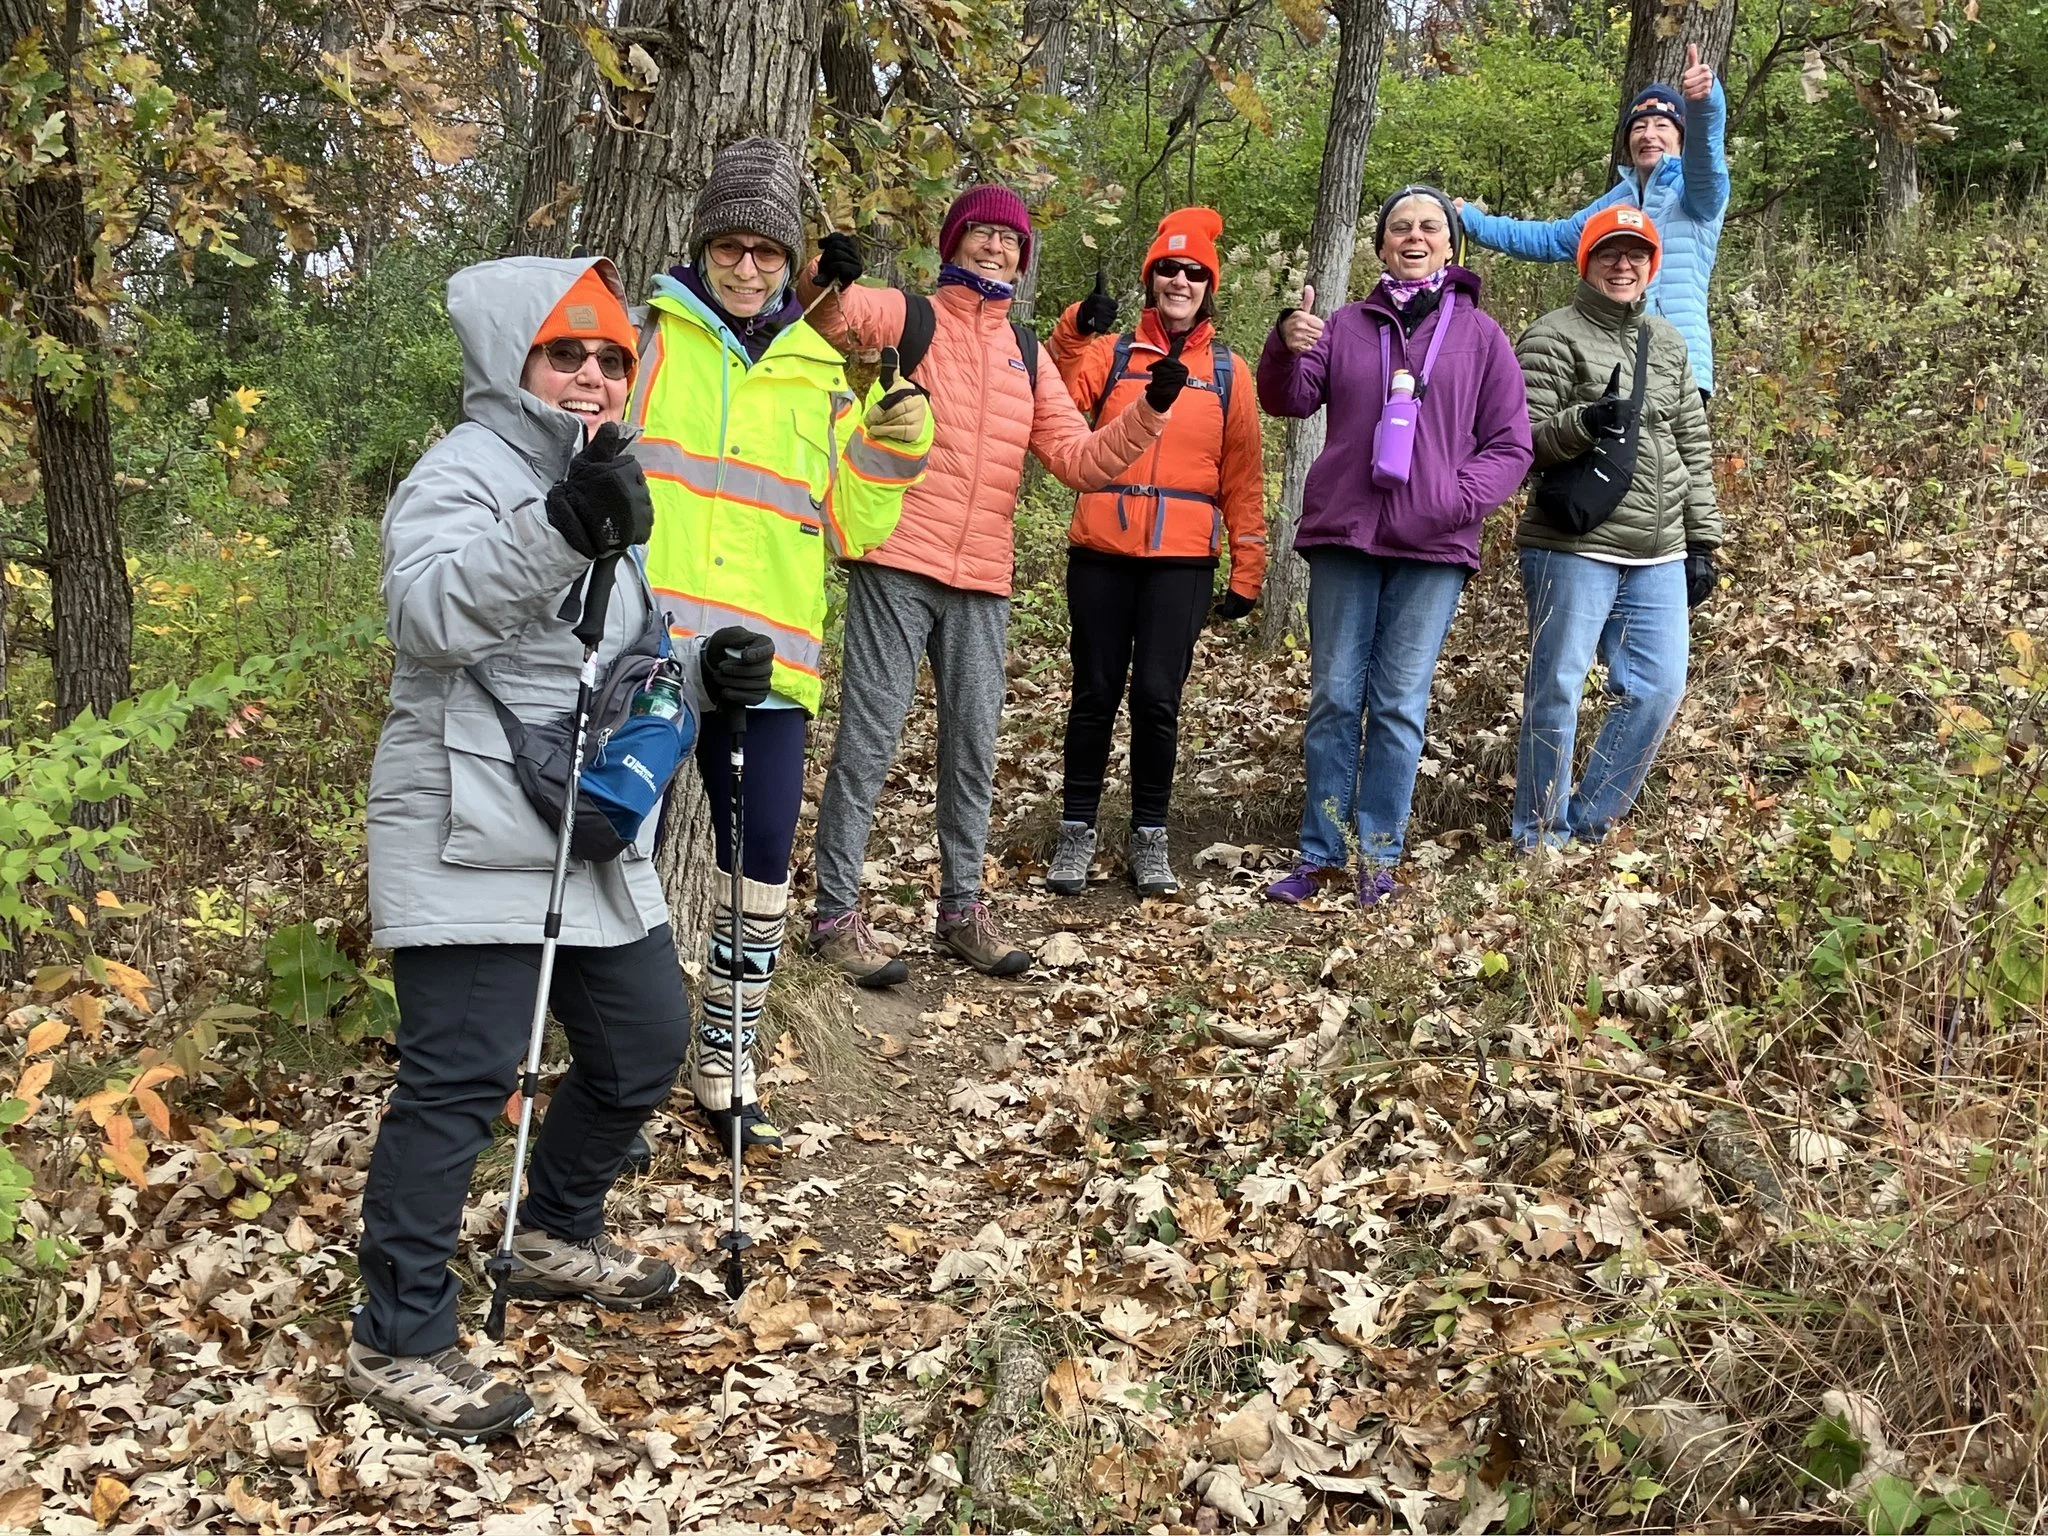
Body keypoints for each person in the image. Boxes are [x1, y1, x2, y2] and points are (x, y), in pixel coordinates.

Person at [350, 254, 772, 1439]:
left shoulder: (602, 476)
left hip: (576, 819)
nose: (590, 374)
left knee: (645, 1038)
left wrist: (705, 668)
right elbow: (424, 614)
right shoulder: (465, 471)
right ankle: (400, 1338)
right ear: (511, 361)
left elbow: (613, 655)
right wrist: (555, 531)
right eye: (564, 353)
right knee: (461, 1077)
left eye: (609, 357)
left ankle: (550, 1233)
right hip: (463, 816)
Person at [629, 138, 934, 1151]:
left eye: (767, 250)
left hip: (771, 667)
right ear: (704, 247)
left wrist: (895, 449)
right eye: (731, 245)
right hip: (645, 660)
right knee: (606, 856)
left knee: (758, 867)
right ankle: (609, 1074)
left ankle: (727, 1063)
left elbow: (858, 526)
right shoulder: (646, 344)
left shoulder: (823, 376)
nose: (748, 265)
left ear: (789, 261)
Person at [796, 184, 1179, 983]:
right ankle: (834, 915)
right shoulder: (909, 315)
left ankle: (961, 912)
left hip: (983, 578)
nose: (997, 247)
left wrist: (1150, 412)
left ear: (1023, 256)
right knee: (870, 739)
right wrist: (819, 276)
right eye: (983, 234)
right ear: (954, 241)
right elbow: (829, 321)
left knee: (972, 747)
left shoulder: (1029, 352)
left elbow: (1079, 461)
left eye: (1011, 239)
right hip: (898, 558)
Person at [1257, 186, 1533, 906]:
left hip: (1433, 546)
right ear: (1380, 247)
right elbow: (1288, 398)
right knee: (1334, 699)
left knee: (1400, 703)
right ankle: (1319, 857)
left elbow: (1510, 443)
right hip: (1347, 533)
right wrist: (1286, 343)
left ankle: (1376, 861)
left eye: (1430, 227)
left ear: (1451, 245)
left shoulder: (1482, 336)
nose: (1415, 237)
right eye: (1400, 228)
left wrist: (1456, 500)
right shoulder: (1344, 324)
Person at [1043, 207, 1265, 897]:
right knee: (1095, 694)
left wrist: (1248, 568)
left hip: (1181, 563)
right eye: (1167, 268)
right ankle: (1075, 832)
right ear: (1150, 279)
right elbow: (1047, 390)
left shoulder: (1230, 372)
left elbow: (1243, 478)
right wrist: (1076, 324)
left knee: (1158, 699)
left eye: (1194, 271)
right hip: (1103, 552)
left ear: (1208, 285)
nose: (1179, 279)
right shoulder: (1110, 355)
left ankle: (1149, 837)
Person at [1511, 206, 1721, 851]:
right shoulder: (1552, 336)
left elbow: (1691, 439)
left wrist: (1704, 538)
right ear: (1587, 262)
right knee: (1558, 690)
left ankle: (1591, 821)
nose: (1623, 265)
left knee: (1658, 690)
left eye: (1635, 254)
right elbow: (1520, 444)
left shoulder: (1666, 340)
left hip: (1659, 548)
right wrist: (1585, 422)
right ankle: (1539, 835)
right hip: (1575, 543)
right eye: (1609, 253)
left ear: (1651, 265)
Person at [1457, 46, 1728, 396]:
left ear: (1680, 137)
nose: (1648, 135)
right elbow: (1553, 239)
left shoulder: (1695, 193)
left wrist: (1705, 106)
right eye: (1639, 127)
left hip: (1681, 365)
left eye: (1662, 125)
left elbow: (1706, 159)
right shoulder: (1615, 203)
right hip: (1617, 361)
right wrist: (1474, 222)